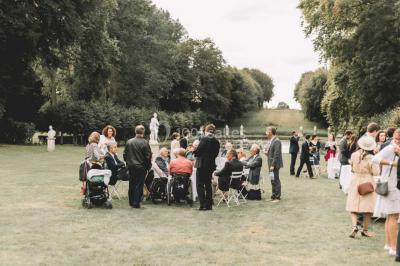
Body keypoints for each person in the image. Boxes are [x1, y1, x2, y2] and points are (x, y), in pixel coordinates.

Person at [372, 129, 400, 256]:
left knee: (390, 216)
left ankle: (389, 244)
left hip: (392, 185)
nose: (396, 141)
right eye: (396, 138)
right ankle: (393, 247)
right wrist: (392, 163)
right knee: (394, 216)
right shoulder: (391, 148)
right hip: (391, 186)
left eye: (398, 139)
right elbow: (375, 159)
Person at [346, 137, 380, 238]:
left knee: (353, 205)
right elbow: (376, 172)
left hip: (355, 180)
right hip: (367, 182)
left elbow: (352, 168)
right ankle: (365, 230)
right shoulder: (372, 158)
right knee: (368, 208)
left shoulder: (354, 155)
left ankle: (354, 226)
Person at [123, 125, 152, 209]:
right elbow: (148, 157)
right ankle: (136, 203)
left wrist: (128, 162)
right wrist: (147, 167)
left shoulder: (129, 142)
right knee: (139, 185)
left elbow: (125, 154)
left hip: (131, 166)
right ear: (143, 132)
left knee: (132, 184)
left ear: (135, 131)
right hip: (141, 167)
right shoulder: (145, 142)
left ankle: (131, 202)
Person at [193, 124, 220, 211]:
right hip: (211, 165)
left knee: (200, 184)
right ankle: (209, 205)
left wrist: (194, 151)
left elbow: (198, 152)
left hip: (202, 165)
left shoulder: (204, 139)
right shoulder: (216, 141)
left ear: (206, 131)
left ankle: (203, 205)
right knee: (208, 184)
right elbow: (216, 154)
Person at [266, 127, 283, 202]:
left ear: (270, 132)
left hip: (274, 164)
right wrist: (267, 153)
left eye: (267, 131)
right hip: (270, 163)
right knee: (272, 179)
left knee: (276, 179)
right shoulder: (271, 140)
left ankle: (277, 197)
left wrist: (272, 165)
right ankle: (273, 196)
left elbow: (276, 154)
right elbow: (272, 153)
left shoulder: (277, 141)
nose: (265, 133)